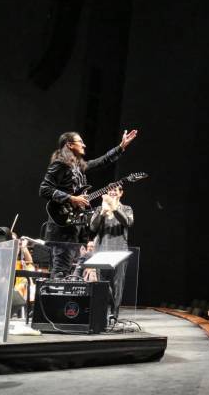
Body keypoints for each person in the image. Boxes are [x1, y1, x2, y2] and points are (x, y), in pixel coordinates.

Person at [39, 130, 138, 278]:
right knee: (60, 271)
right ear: (70, 145)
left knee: (69, 272)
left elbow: (101, 161)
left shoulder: (78, 165)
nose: (84, 145)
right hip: (61, 228)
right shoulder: (60, 163)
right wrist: (72, 199)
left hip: (73, 228)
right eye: (80, 142)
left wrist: (121, 146)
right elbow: (44, 189)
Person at [89, 184, 134, 319]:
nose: (112, 192)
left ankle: (114, 315)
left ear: (121, 193)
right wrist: (103, 212)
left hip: (119, 252)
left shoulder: (126, 209)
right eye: (110, 190)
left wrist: (114, 208)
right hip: (101, 252)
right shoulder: (99, 209)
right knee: (102, 285)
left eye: (115, 190)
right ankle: (101, 314)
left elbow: (128, 222)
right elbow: (92, 227)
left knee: (117, 285)